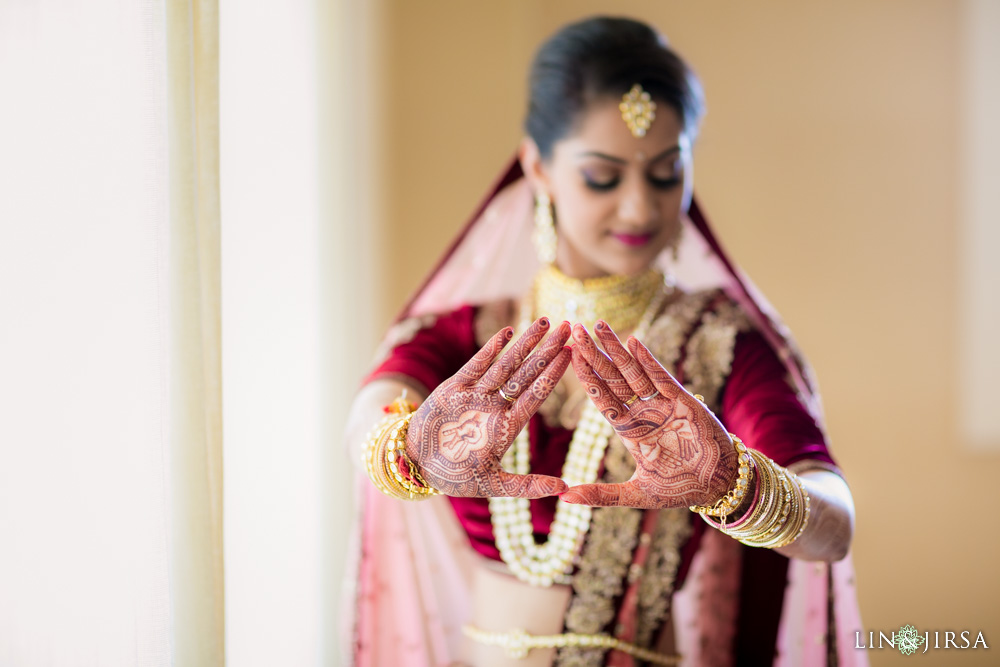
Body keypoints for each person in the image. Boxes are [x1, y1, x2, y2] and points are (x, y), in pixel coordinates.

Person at [343, 16, 865, 667]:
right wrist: (407, 447)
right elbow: (368, 415)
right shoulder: (468, 338)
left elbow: (834, 521)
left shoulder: (721, 345)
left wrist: (736, 484)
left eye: (666, 174)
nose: (640, 208)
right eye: (603, 176)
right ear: (537, 166)